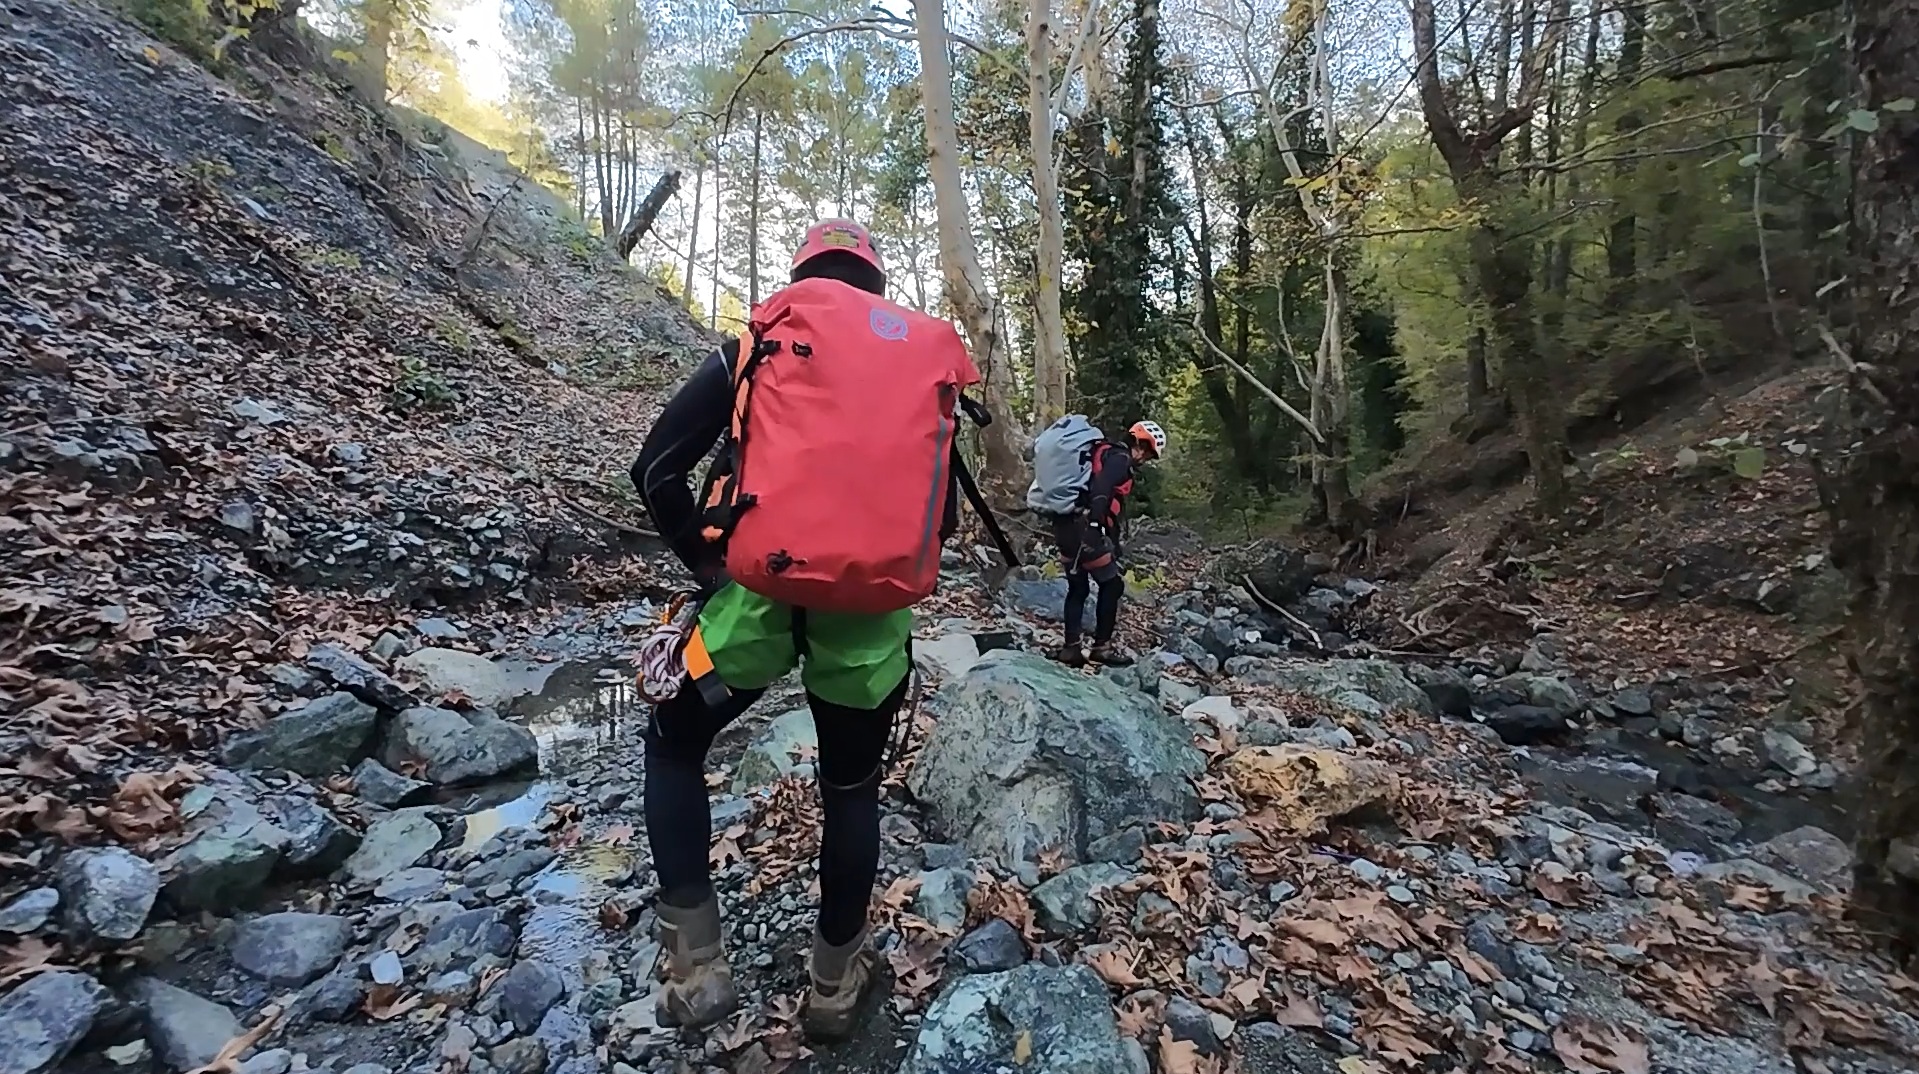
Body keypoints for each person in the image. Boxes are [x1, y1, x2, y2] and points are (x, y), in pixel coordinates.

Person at [628, 219, 979, 1042]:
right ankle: (832, 985)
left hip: (756, 595)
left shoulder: (760, 337)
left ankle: (698, 969)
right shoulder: (922, 364)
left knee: (674, 743)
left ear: (803, 273)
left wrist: (710, 568)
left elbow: (656, 470)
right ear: (875, 285)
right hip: (869, 614)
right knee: (850, 789)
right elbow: (946, 520)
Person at [1039, 418, 1165, 667]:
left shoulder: (1102, 451)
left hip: (1064, 524)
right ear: (1139, 443)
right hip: (1084, 527)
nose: (1145, 459)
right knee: (1112, 585)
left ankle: (1071, 649)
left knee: (1078, 587)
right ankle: (1101, 649)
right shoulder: (1120, 459)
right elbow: (1102, 487)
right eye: (1147, 452)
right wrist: (1096, 525)